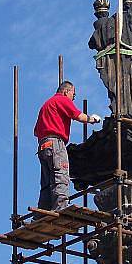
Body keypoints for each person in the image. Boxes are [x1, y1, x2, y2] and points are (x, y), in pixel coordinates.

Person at [33, 81, 101, 219]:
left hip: (43, 145)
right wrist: (93, 119)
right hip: (56, 143)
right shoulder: (61, 100)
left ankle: (42, 212)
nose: (73, 98)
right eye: (73, 95)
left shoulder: (46, 104)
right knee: (60, 175)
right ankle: (60, 207)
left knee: (47, 181)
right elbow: (79, 116)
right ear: (66, 91)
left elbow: (36, 131)